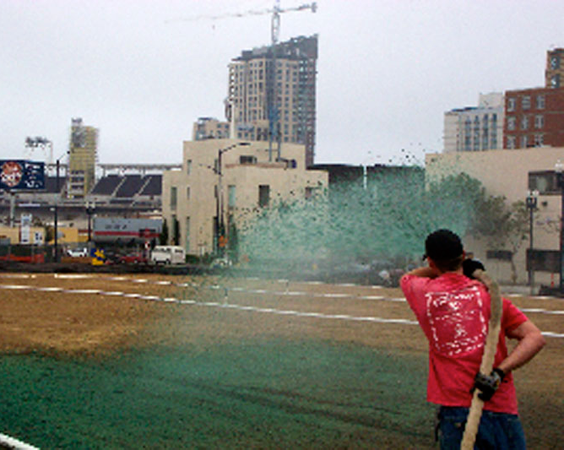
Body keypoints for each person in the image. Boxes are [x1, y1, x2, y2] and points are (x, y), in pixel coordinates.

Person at [400, 229, 545, 449]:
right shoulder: (491, 297)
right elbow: (535, 338)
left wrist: (440, 268)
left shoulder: (421, 292)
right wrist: (498, 373)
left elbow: (407, 276)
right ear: (464, 254)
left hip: (456, 411)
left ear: (430, 260)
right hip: (502, 409)